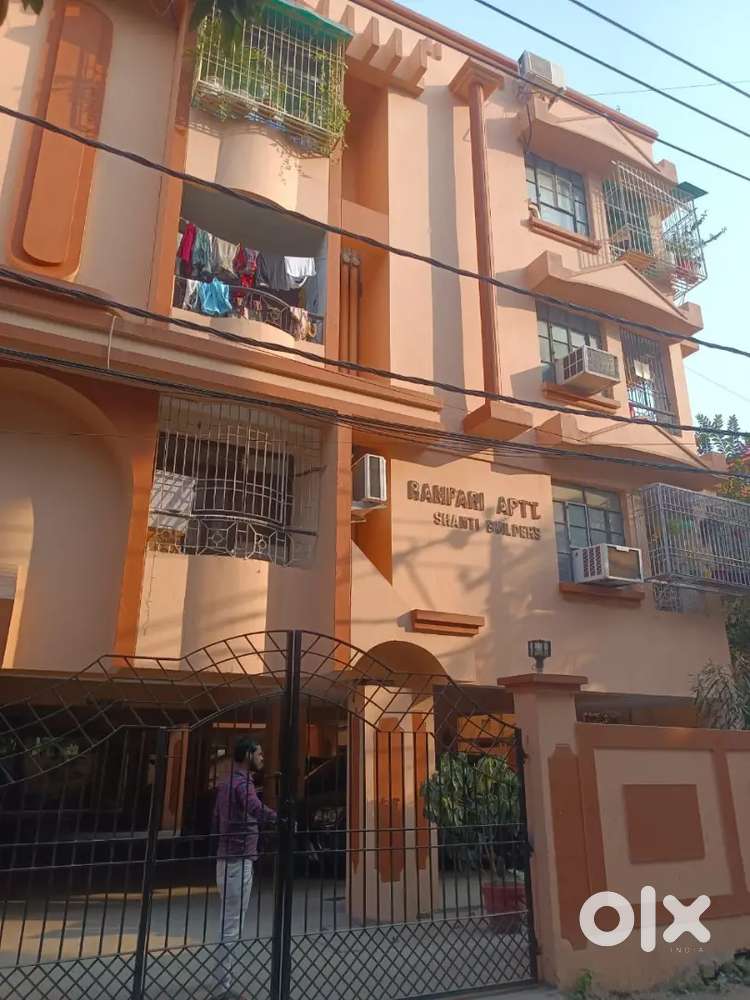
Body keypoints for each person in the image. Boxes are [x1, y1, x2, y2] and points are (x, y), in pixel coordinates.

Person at [212, 738, 276, 999]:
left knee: (227, 919)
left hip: (226, 858)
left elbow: (217, 817)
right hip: (238, 861)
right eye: (259, 753)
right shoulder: (242, 784)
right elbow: (255, 808)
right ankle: (224, 987)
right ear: (248, 755)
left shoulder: (226, 783)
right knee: (232, 923)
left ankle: (221, 978)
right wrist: (279, 818)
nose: (262, 758)